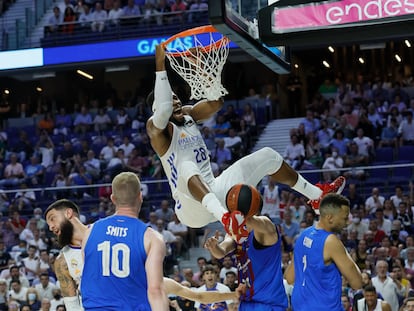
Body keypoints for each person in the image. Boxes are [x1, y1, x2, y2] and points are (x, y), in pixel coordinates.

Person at [146, 44, 346, 243]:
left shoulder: (188, 115)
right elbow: (163, 110)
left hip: (215, 192)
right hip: (190, 208)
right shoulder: (156, 131)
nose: (177, 102)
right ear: (157, 107)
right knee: (187, 166)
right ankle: (227, 221)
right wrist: (160, 65)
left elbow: (216, 102)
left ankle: (317, 196)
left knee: (268, 155)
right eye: (170, 100)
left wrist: (201, 68)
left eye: (176, 98)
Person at [45, 199, 241, 309]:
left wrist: (234, 294)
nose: (51, 227)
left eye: (53, 219)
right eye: (48, 224)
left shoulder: (106, 230)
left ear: (69, 213)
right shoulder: (63, 261)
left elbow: (197, 295)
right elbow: (72, 307)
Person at [80, 172, 169, 310]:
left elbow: (89, 275)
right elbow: (155, 290)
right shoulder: (152, 238)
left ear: (113, 198)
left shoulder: (89, 231)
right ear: (140, 196)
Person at [284, 193, 362, 311]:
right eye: (344, 218)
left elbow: (289, 278)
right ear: (330, 217)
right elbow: (357, 282)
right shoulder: (331, 242)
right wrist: (343, 250)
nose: (347, 223)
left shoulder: (303, 234)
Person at [204, 206, 288, 310]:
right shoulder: (236, 235)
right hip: (246, 302)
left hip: (268, 303)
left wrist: (240, 216)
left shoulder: (265, 228)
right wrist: (214, 247)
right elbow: (221, 252)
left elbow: (262, 223)